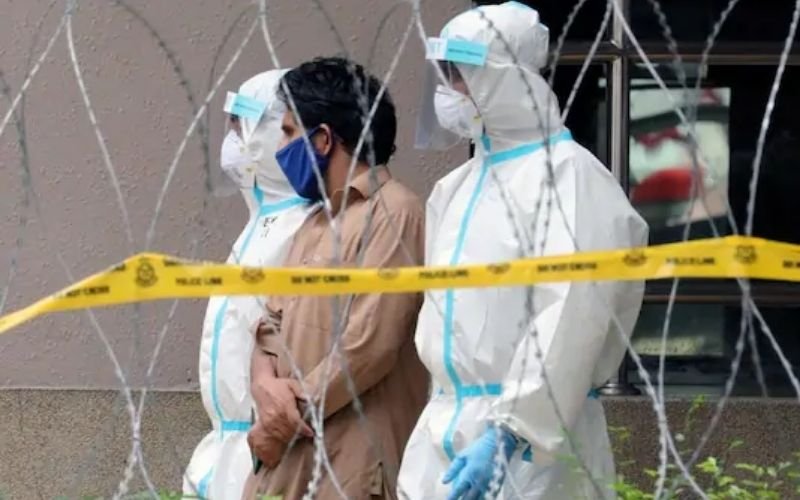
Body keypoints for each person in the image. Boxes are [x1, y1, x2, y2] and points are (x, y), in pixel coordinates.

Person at [397, 3, 649, 499]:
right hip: (443, 430)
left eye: (460, 74)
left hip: (535, 445)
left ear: (504, 78)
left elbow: (573, 313)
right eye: (444, 74)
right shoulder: (457, 187)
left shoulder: (570, 177)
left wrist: (511, 431)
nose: (450, 91)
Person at [242, 57, 429, 499]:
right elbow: (269, 328)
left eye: (289, 133)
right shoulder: (315, 221)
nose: (281, 147)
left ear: (324, 138)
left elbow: (369, 345)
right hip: (284, 461)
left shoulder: (395, 213)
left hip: (349, 466)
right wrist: (264, 386)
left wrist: (278, 422)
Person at [183, 69, 315, 500]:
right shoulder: (259, 226)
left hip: (268, 446)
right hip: (224, 445)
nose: (236, 140)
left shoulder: (306, 228)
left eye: (248, 126)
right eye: (233, 125)